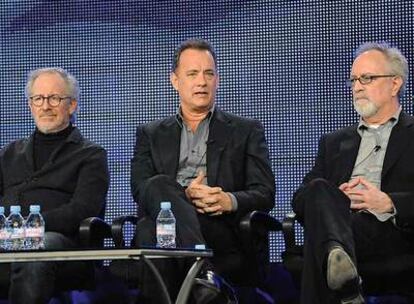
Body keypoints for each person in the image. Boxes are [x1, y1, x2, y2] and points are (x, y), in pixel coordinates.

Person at [131, 39, 275, 302]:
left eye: (209, 73)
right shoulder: (150, 134)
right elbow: (141, 189)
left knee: (148, 234)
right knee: (158, 186)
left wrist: (228, 200)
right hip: (166, 222)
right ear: (175, 81)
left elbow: (265, 193)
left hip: (218, 227)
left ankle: (201, 273)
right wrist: (184, 195)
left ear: (217, 80)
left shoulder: (245, 130)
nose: (202, 81)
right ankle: (203, 269)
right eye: (192, 74)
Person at [292, 42, 414, 304]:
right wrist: (332, 199)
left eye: (367, 78)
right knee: (319, 189)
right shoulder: (333, 142)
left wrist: (389, 203)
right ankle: (340, 264)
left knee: (319, 248)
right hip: (344, 224)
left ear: (395, 84)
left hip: (391, 233)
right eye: (354, 80)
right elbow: (300, 199)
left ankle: (344, 279)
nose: (357, 87)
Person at [0, 67, 109, 303]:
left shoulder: (91, 155)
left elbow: (83, 209)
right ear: (30, 105)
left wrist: (28, 228)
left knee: (35, 248)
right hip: (6, 240)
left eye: (54, 98)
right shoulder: (9, 153)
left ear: (71, 105)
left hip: (62, 244)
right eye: (38, 99)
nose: (45, 106)